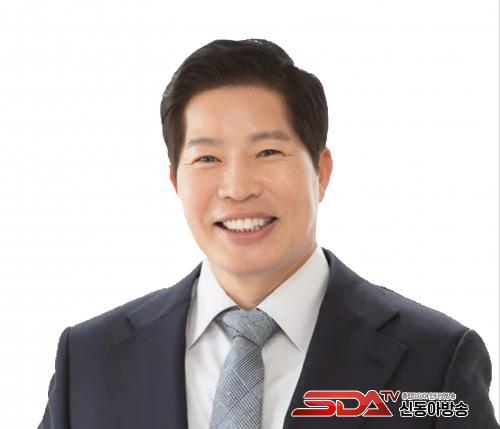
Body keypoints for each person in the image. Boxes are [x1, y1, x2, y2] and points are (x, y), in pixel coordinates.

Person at [38, 39, 499, 429]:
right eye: (207, 158)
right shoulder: (90, 360)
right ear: (176, 181)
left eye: (268, 152)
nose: (238, 188)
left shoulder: (435, 363)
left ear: (321, 171)